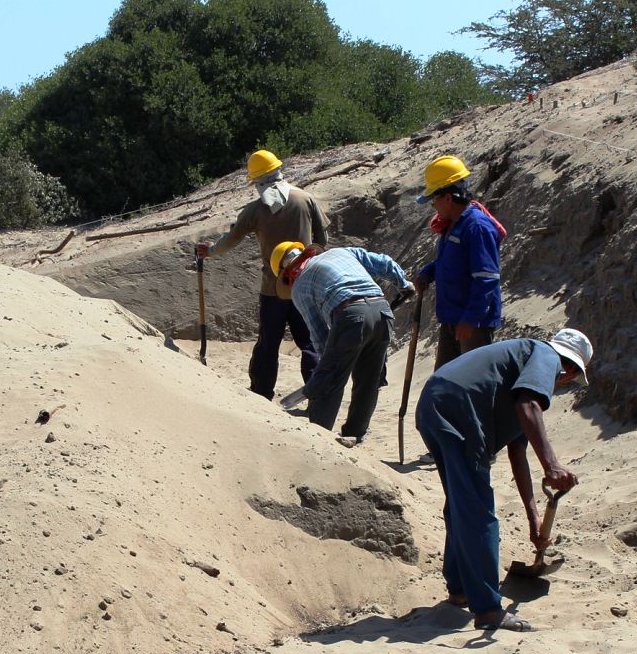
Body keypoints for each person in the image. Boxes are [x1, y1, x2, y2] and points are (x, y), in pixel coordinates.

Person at [415, 329, 593, 631]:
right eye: (568, 379)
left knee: (461, 503)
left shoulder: (518, 367)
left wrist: (534, 518)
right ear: (569, 369)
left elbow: (518, 453)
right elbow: (529, 407)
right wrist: (552, 465)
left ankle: (459, 588)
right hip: (461, 409)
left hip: (435, 403)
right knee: (478, 512)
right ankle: (487, 609)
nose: (561, 383)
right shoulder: (545, 356)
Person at [195, 150, 327, 399]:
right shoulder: (306, 199)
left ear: (257, 180)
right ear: (279, 171)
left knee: (268, 343)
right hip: (305, 286)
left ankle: (261, 393)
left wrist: (210, 251)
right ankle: (319, 394)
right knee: (310, 342)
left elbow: (230, 240)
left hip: (272, 289)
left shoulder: (255, 210)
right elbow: (322, 241)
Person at [272, 240, 412, 445]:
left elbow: (319, 334)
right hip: (382, 311)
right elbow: (384, 262)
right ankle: (354, 434)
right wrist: (403, 284)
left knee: (329, 380)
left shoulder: (299, 286)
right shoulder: (342, 252)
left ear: (288, 274)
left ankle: (319, 439)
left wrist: (328, 364)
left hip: (349, 314)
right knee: (369, 381)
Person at [412, 154, 506, 369]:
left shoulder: (477, 227)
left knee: (470, 384)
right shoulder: (454, 225)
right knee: (445, 381)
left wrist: (471, 318)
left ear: (448, 197)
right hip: (453, 318)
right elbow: (451, 262)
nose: (433, 206)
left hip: (472, 324)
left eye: (433, 199)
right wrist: (429, 272)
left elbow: (487, 277)